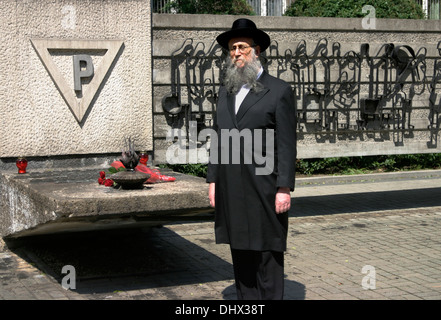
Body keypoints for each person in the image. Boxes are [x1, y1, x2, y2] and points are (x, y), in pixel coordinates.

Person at [206, 18, 297, 300]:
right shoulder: (226, 91)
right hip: (231, 185)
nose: (236, 53)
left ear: (257, 51)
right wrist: (212, 181)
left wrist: (284, 188)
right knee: (241, 250)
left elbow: (286, 144)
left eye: (242, 47)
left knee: (267, 252)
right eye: (232, 48)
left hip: (265, 185)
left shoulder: (279, 91)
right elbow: (218, 139)